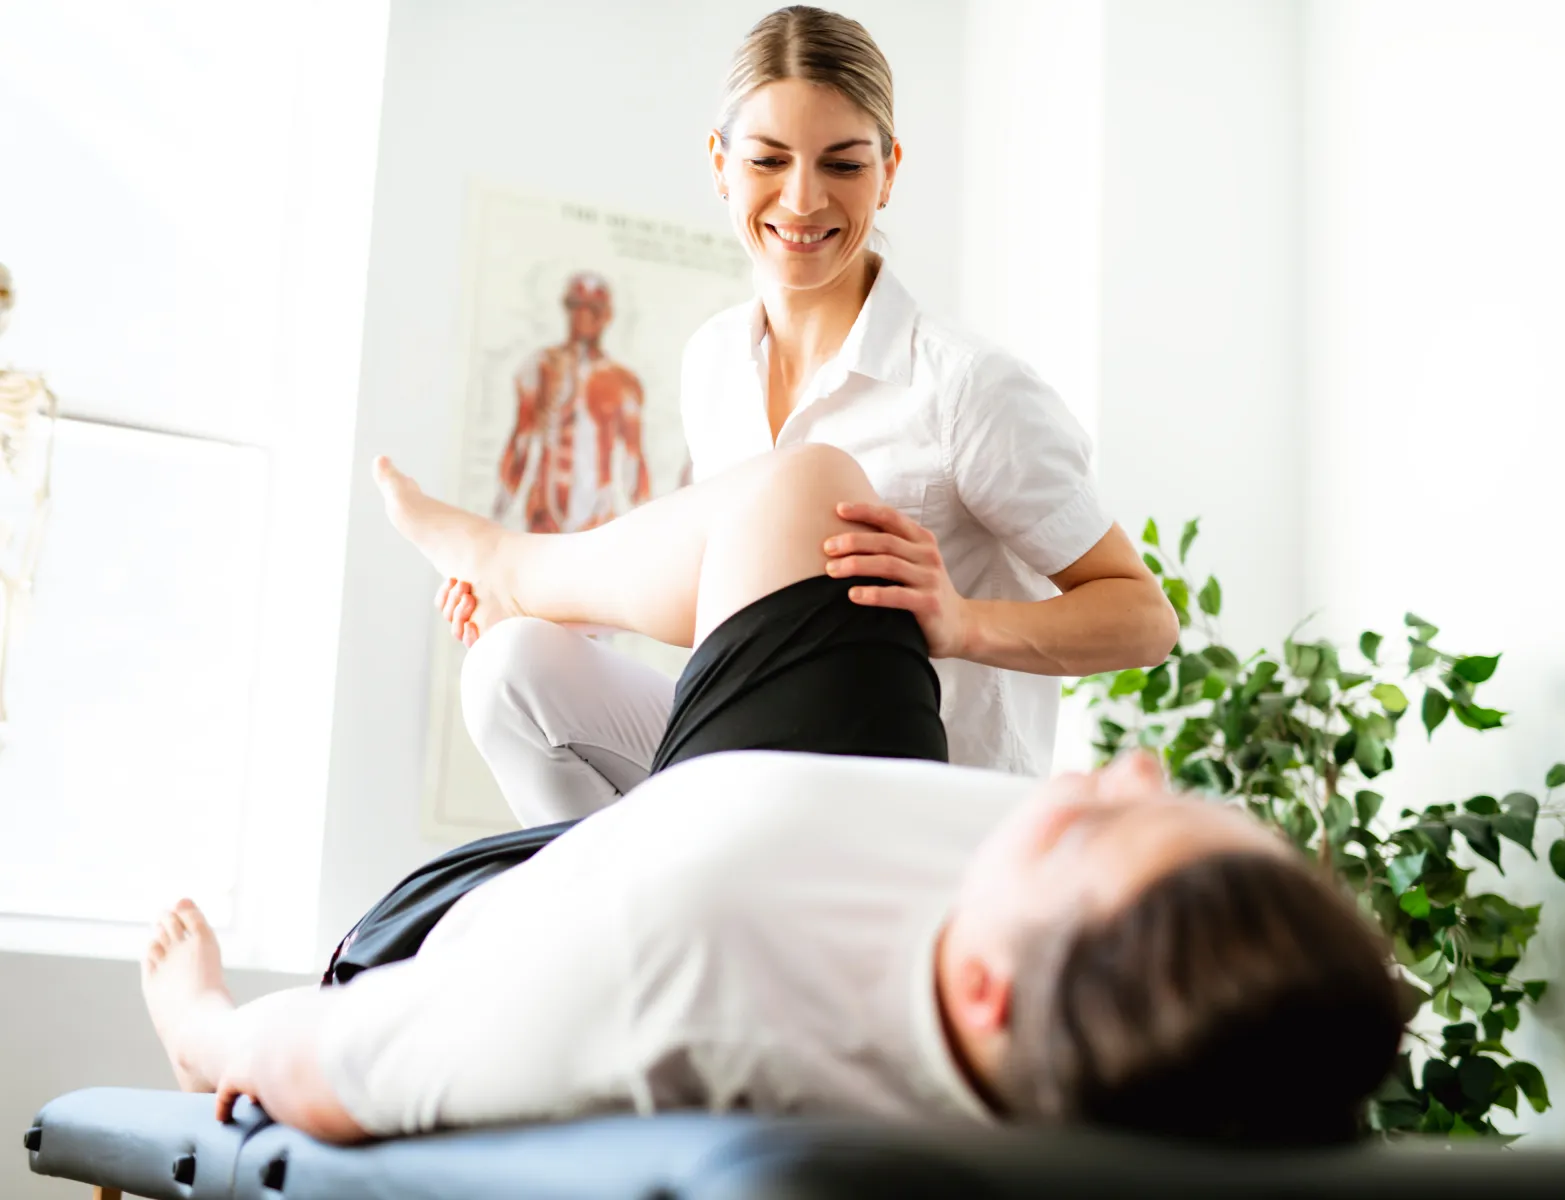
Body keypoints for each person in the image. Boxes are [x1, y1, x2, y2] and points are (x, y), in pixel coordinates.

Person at [138, 447, 1402, 1148]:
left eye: (1096, 817)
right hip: (798, 792)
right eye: (1172, 796)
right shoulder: (1130, 980)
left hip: (546, 901)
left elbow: (321, 1066)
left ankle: (508, 568)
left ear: (982, 989)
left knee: (532, 658)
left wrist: (203, 1025)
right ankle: (512, 571)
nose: (1121, 772)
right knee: (815, 498)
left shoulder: (670, 967)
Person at [441, 5, 1180, 828]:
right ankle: (617, 906)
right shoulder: (713, 362)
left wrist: (964, 622)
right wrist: (543, 604)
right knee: (510, 668)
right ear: (720, 164)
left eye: (842, 163)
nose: (802, 198)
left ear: (888, 171)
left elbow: (1144, 620)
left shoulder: (968, 389)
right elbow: (732, 608)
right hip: (765, 761)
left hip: (924, 809)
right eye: (768, 159)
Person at [492, 272, 650, 535]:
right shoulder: (540, 367)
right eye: (576, 307)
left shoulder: (623, 382)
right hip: (544, 514)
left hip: (598, 520)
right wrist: (496, 516)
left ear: (607, 315)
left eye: (594, 309)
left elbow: (634, 459)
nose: (584, 317)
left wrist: (649, 527)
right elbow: (520, 441)